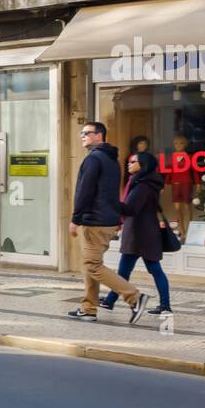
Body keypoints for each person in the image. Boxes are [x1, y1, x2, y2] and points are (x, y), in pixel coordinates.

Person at [68, 121, 150, 323]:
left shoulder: (94, 159)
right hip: (105, 219)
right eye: (81, 133)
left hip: (95, 221)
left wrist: (75, 218)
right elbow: (111, 193)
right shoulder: (111, 159)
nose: (82, 136)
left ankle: (135, 298)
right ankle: (88, 308)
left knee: (93, 265)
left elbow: (85, 191)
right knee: (90, 264)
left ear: (99, 136)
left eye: (87, 133)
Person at [101, 151, 172, 315]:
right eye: (130, 160)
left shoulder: (142, 185)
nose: (129, 163)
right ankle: (110, 301)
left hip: (139, 234)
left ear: (143, 165)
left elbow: (131, 208)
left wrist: (111, 201)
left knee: (147, 270)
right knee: (130, 270)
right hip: (143, 232)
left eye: (134, 161)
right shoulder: (145, 182)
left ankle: (165, 306)